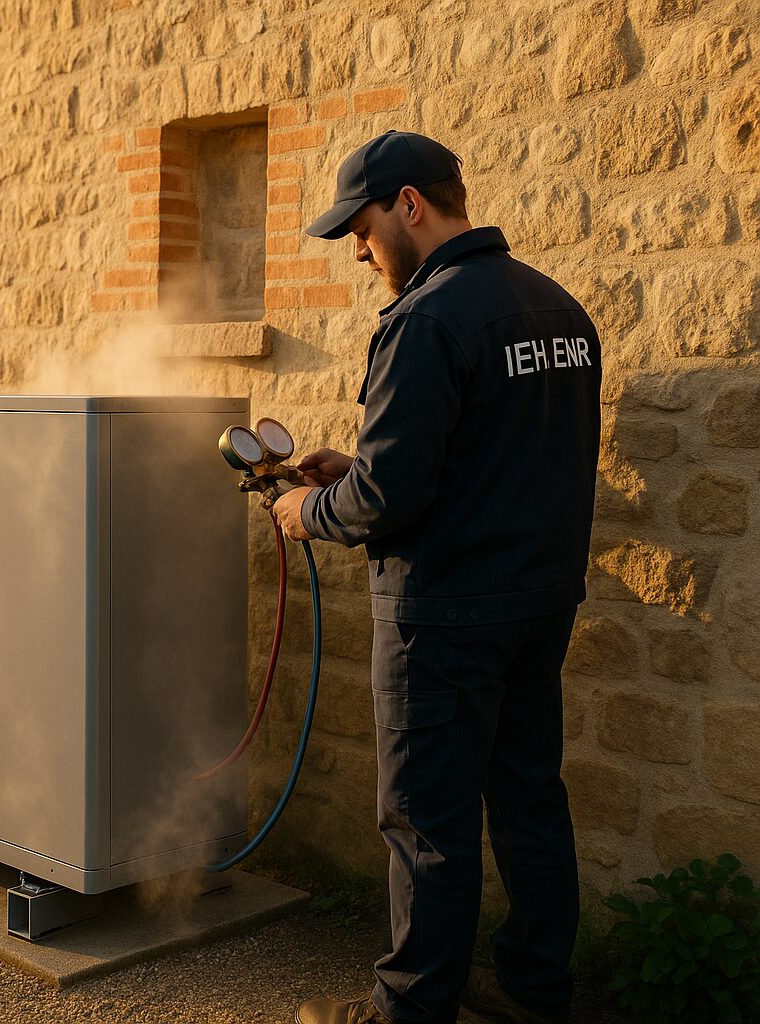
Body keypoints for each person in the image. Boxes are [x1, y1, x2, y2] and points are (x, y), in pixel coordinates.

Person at [272, 131, 602, 1024]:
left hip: (443, 622)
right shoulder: (557, 310)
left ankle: (408, 1011)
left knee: (427, 828)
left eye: (363, 225)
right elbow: (498, 456)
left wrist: (312, 511)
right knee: (530, 803)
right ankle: (536, 997)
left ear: (410, 203)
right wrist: (361, 467)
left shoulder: (424, 319)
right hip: (537, 607)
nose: (358, 247)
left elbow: (389, 498)